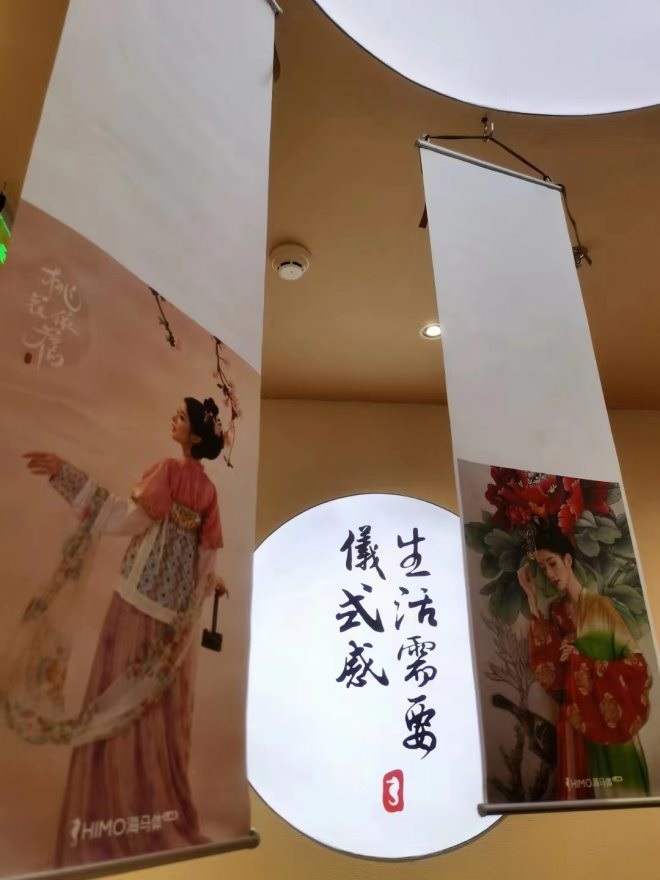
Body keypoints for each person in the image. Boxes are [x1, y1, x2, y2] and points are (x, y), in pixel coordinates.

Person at [18, 397, 227, 865]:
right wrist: (207, 586)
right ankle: (149, 811)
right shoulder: (208, 490)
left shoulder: (168, 472)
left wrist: (66, 475)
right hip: (174, 618)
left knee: (114, 696)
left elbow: (122, 517)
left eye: (181, 417)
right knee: (155, 714)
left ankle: (106, 813)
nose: (174, 419)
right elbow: (204, 555)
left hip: (136, 600)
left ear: (194, 436)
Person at [517, 525, 651, 800]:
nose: (549, 574)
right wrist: (531, 598)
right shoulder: (556, 612)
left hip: (610, 718)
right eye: (543, 568)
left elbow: (637, 667)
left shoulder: (601, 607)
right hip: (574, 723)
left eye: (552, 563)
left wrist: (582, 661)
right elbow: (550, 673)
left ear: (568, 560)